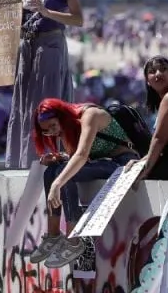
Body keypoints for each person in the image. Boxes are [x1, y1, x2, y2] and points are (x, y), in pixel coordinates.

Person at [27, 98, 138, 268]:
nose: (52, 132)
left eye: (53, 126)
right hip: (102, 162)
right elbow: (75, 156)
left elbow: (82, 155)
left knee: (64, 177)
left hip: (122, 162)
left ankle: (73, 241)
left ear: (62, 117)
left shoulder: (90, 115)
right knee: (52, 170)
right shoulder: (67, 127)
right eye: (46, 131)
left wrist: (57, 184)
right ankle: (54, 235)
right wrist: (59, 158)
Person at [5, 0, 84, 169]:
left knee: (46, 102)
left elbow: (78, 19)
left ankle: (51, 158)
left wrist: (47, 12)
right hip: (27, 48)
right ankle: (23, 160)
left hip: (50, 47)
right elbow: (16, 19)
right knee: (25, 102)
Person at [140, 56, 168, 179]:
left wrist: (145, 170)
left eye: (163, 69)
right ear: (147, 81)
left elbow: (160, 139)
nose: (158, 74)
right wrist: (142, 162)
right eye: (152, 71)